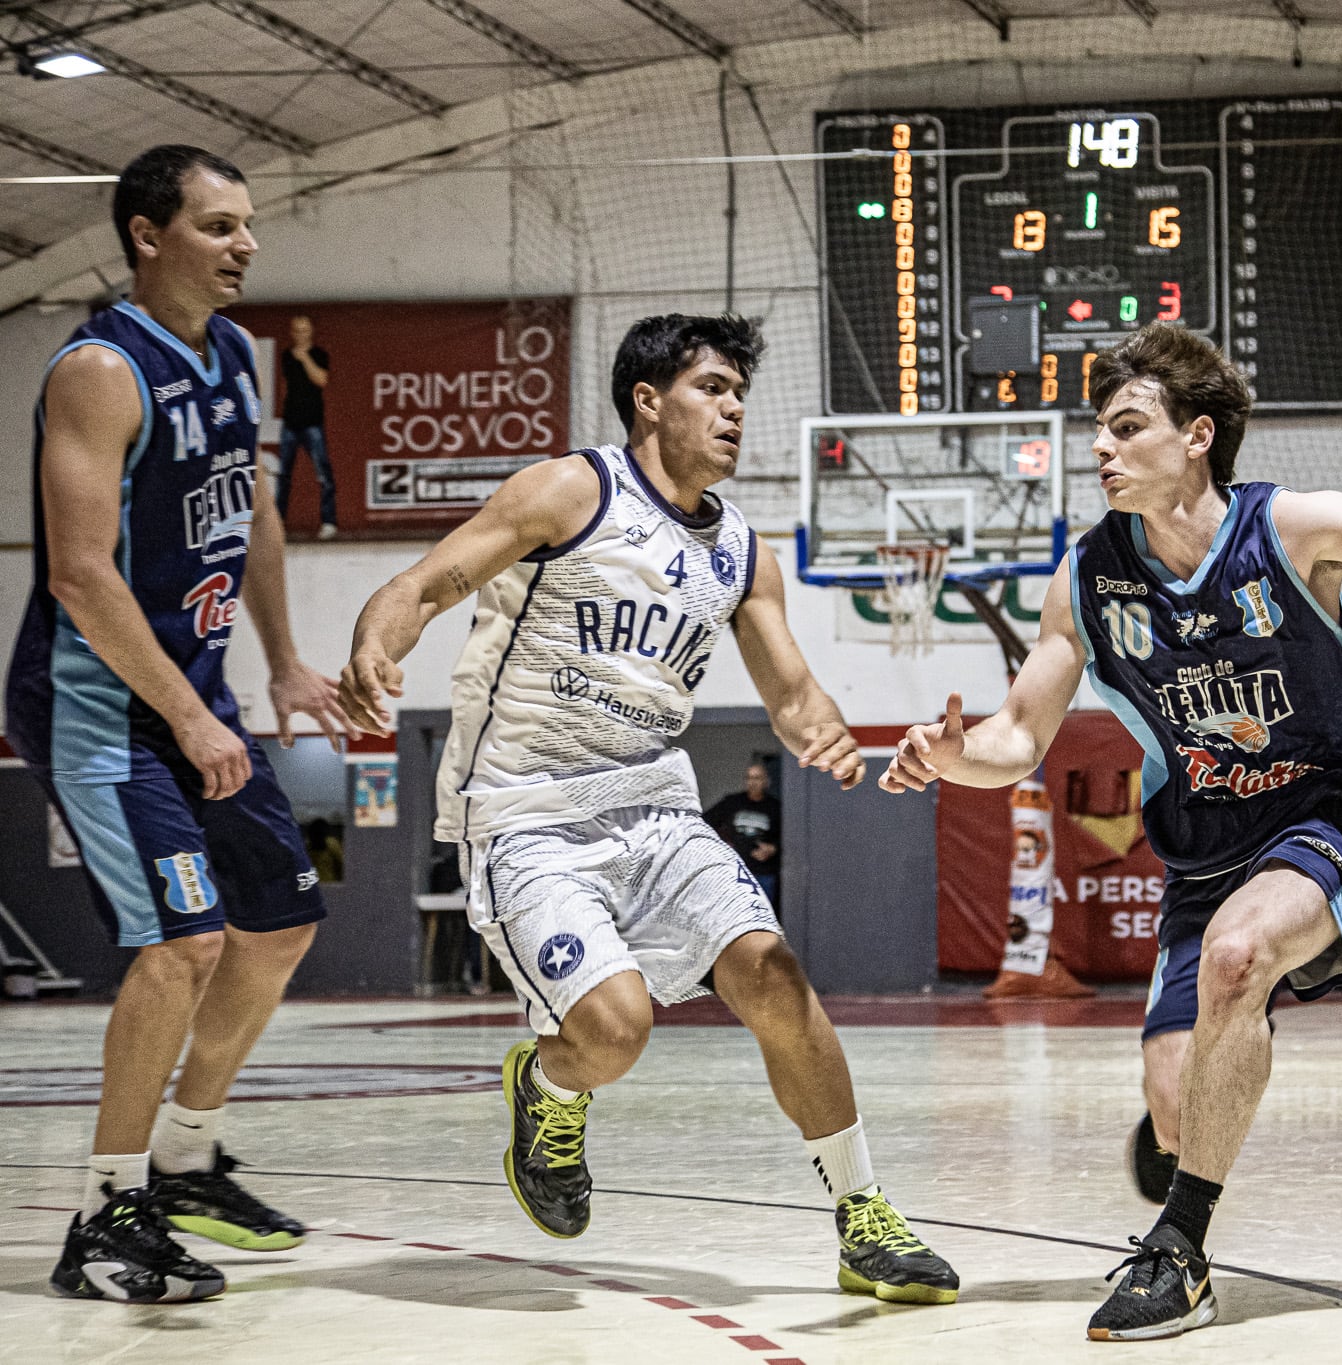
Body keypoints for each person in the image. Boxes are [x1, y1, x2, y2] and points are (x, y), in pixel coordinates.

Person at [880, 323, 1342, 1341]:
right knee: (1178, 1106)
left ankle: (1177, 1254)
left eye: (1126, 427)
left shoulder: (1293, 529)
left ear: (1197, 436)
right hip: (1201, 847)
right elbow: (1014, 736)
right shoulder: (1085, 579)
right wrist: (953, 757)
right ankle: (1197, 1105)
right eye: (1099, 431)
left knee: (1237, 955)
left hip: (1323, 811)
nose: (1100, 449)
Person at [337, 313, 958, 1305]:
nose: (732, 410)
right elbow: (423, 582)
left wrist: (831, 736)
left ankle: (863, 1216)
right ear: (648, 400)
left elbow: (792, 690)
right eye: (711, 388)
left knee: (774, 976)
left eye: (738, 394)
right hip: (527, 810)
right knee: (615, 1031)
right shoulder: (570, 490)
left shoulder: (742, 550)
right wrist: (378, 645)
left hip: (654, 807)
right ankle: (547, 1093)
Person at [4, 144, 354, 1304]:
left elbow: (250, 507)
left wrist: (287, 660)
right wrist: (191, 720)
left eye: (247, 224)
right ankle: (106, 1217)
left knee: (281, 921)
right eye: (217, 226)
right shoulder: (102, 370)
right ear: (148, 236)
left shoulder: (236, 359)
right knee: (181, 947)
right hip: (102, 704)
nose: (245, 243)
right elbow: (80, 578)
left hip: (191, 696)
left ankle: (188, 1157)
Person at [273, 314, 337, 539]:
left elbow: (321, 379)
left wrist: (305, 358)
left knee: (324, 474)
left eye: (304, 330)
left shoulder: (319, 355)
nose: (300, 334)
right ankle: (277, 523)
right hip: (291, 422)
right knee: (283, 476)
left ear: (310, 332)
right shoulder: (286, 356)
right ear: (292, 333)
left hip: (313, 423)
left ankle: (329, 522)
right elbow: (287, 386)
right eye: (296, 330)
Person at [705, 760, 781, 909]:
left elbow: (788, 837)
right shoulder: (732, 803)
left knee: (762, 915)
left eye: (757, 778)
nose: (752, 782)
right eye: (749, 778)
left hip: (763, 873)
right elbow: (706, 822)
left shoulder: (775, 807)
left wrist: (773, 848)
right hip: (734, 871)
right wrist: (721, 846)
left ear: (766, 781)